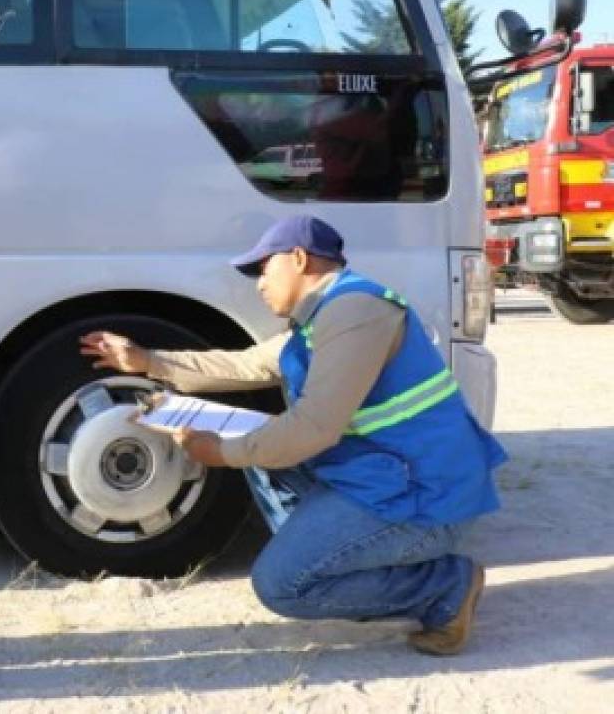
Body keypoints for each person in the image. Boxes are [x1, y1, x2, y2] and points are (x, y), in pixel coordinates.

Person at [80, 216, 507, 656]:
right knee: (264, 449)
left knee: (282, 585)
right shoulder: (320, 319)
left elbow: (313, 429)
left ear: (299, 258)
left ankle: (444, 586)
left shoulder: (354, 312)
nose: (259, 284)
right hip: (389, 479)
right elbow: (244, 365)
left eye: (264, 269)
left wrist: (221, 452)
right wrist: (147, 361)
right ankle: (328, 554)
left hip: (425, 503)